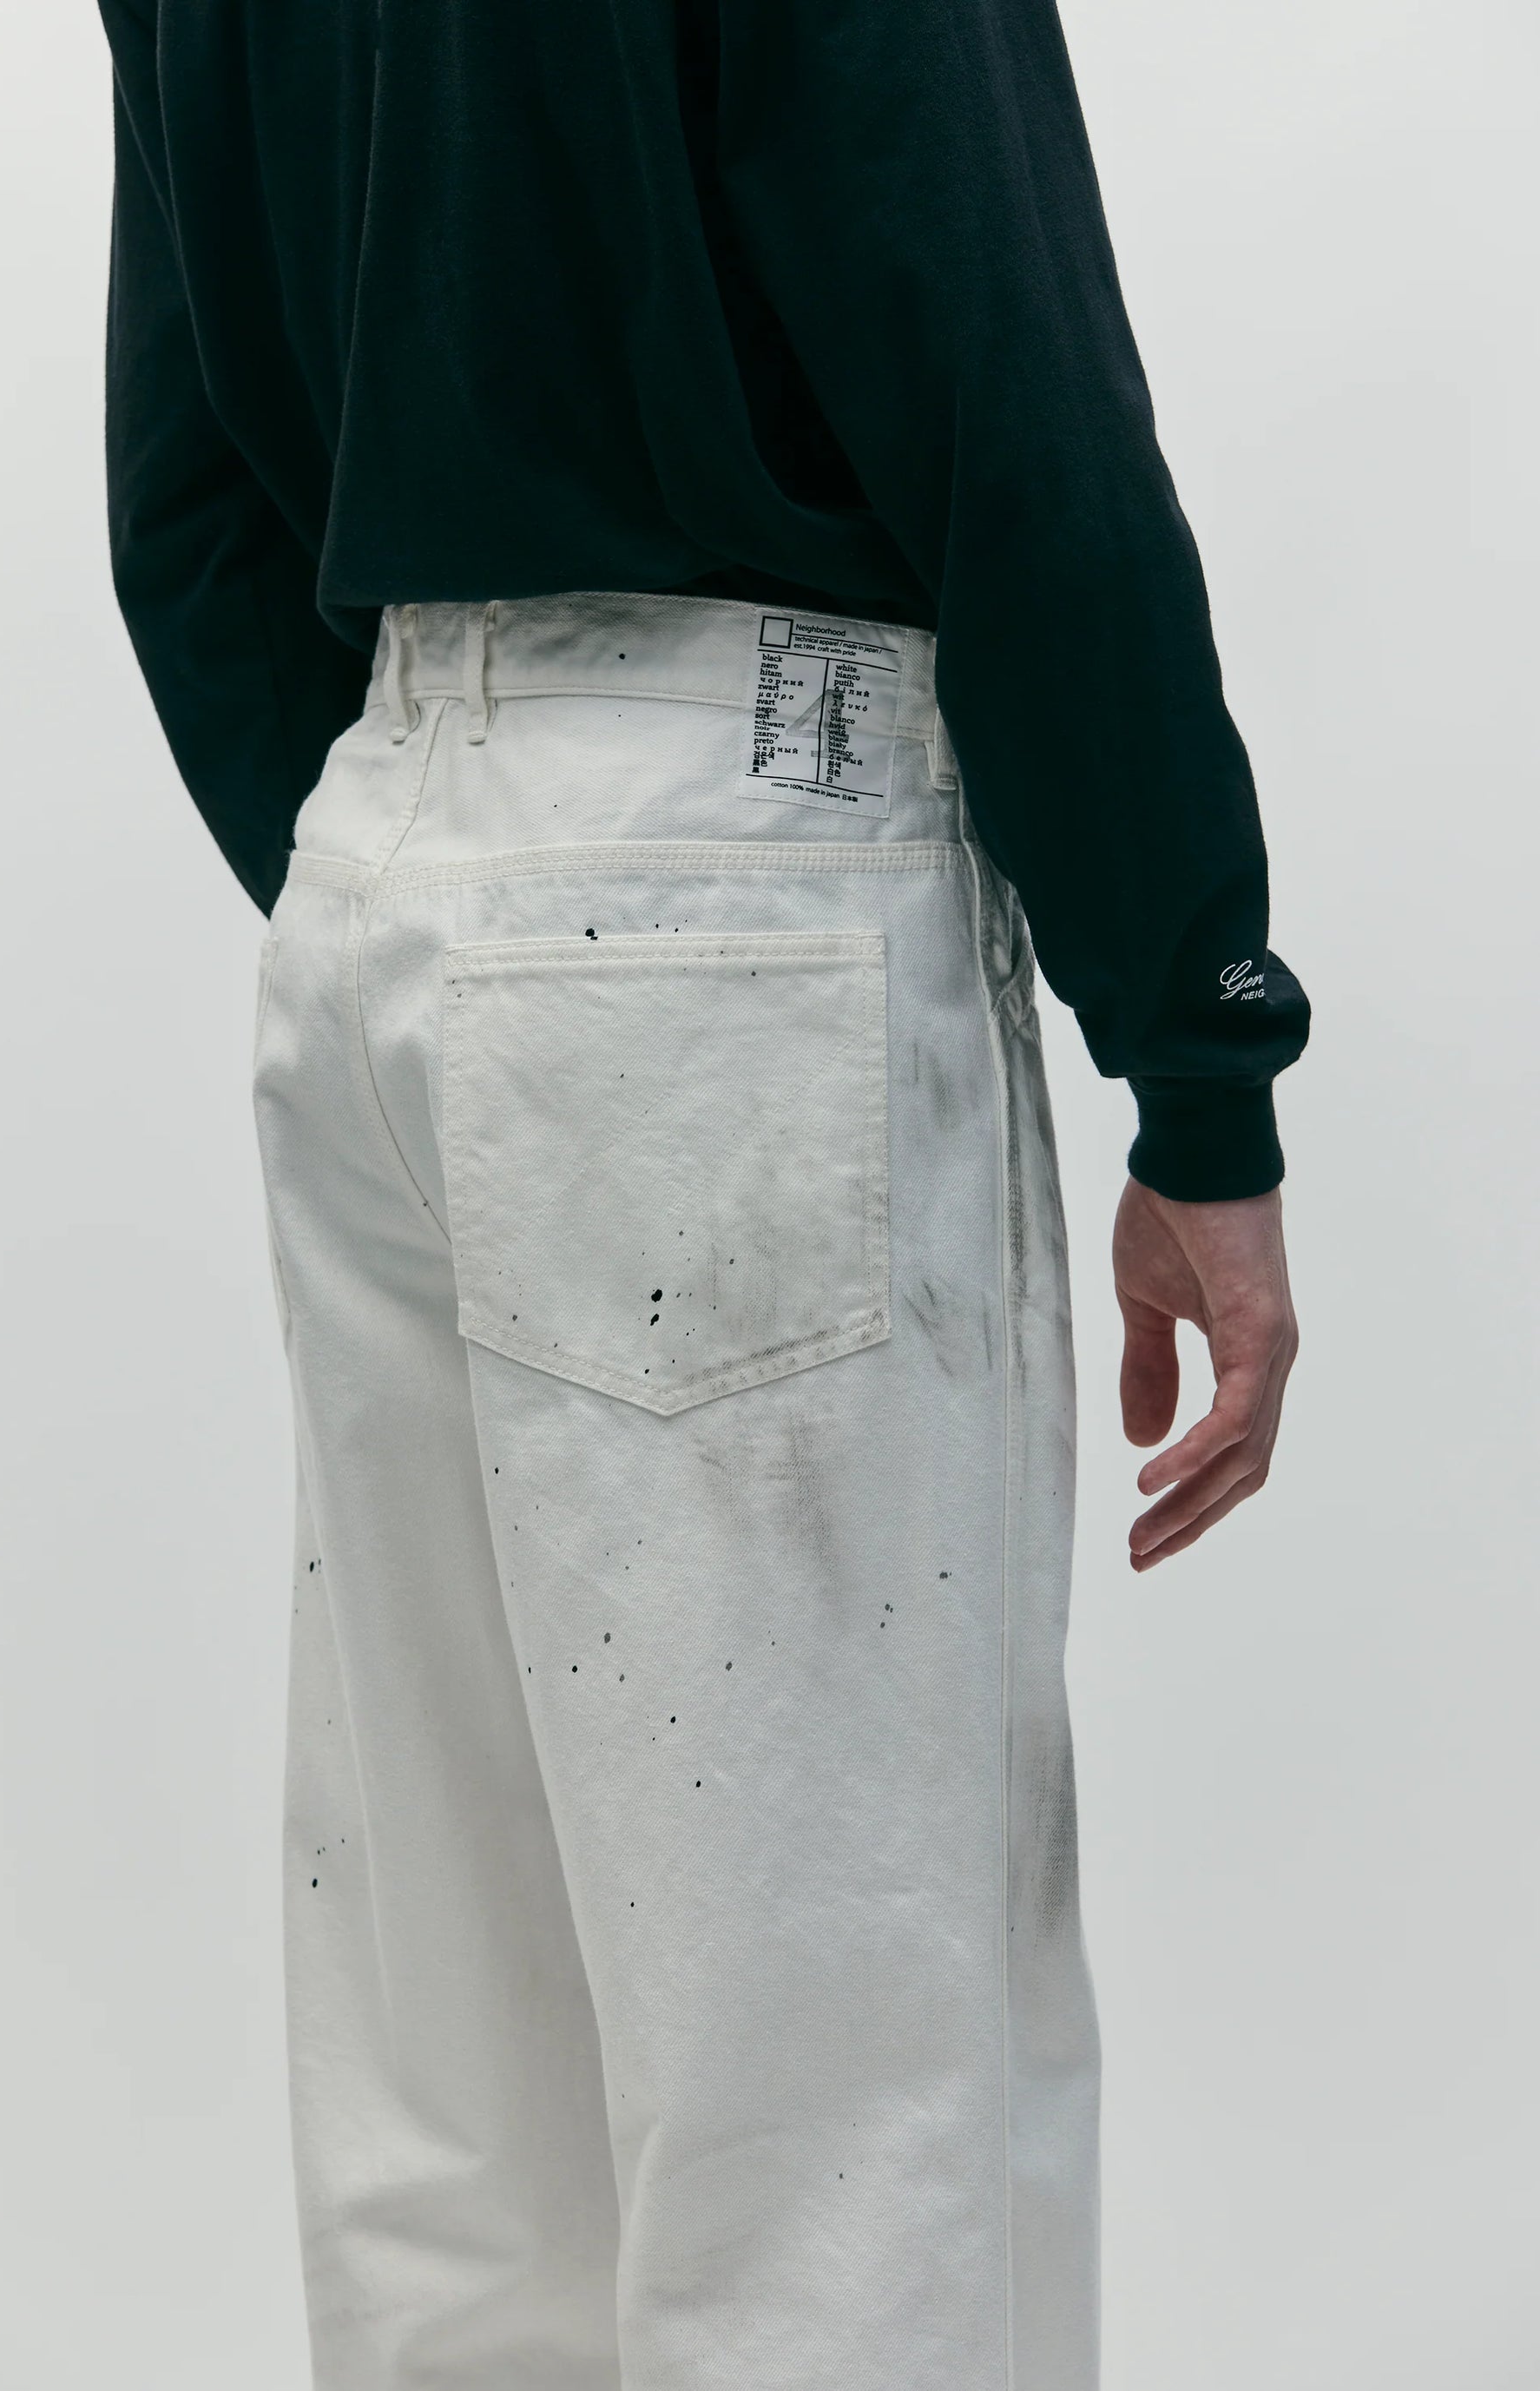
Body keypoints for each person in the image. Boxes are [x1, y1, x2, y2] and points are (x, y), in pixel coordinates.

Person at [95, 1, 1306, 2383]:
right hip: (731, 899)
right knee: (834, 2119)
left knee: (460, 2098)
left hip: (386, 906)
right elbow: (998, 373)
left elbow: (186, 501)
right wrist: (1199, 1060)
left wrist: (435, 874)